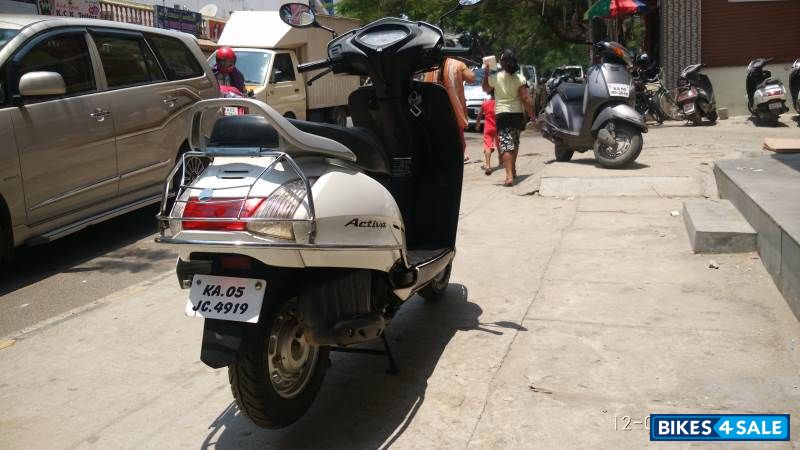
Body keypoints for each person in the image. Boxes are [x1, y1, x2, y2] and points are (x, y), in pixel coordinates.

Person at [482, 49, 535, 186]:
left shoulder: (496, 77)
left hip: (502, 114)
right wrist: (532, 115)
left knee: (506, 146)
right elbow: (525, 98)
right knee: (515, 143)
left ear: (501, 63)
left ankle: (509, 176)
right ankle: (513, 169)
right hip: (517, 114)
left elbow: (486, 89)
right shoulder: (520, 78)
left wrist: (486, 73)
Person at [424, 51, 476, 162]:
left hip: (434, 106)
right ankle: (457, 157)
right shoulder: (457, 64)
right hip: (453, 106)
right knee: (456, 133)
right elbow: (472, 78)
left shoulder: (429, 65)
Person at [475, 90, 499, 175]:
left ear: (489, 93)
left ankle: (488, 166)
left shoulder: (485, 103)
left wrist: (477, 124)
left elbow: (479, 115)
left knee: (487, 146)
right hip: (498, 127)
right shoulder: (499, 104)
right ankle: (501, 160)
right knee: (499, 144)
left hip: (488, 128)